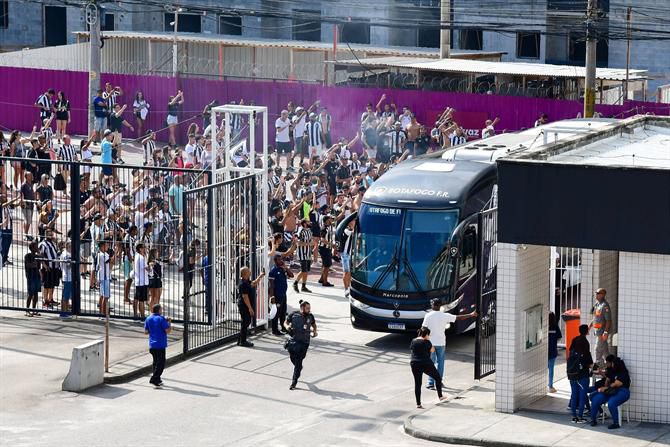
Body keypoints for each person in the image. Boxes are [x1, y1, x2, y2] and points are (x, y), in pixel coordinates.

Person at [421, 299, 477, 390]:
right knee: (440, 363)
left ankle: (430, 383)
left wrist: (422, 341)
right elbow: (459, 317)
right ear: (440, 306)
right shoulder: (444, 316)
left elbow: (423, 329)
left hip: (431, 343)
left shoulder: (428, 316)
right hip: (441, 342)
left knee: (431, 363)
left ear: (433, 305)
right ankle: (438, 381)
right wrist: (471, 314)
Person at [410, 327, 448, 409]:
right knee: (437, 378)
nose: (429, 336)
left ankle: (418, 404)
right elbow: (432, 350)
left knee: (417, 384)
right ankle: (440, 396)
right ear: (426, 335)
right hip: (426, 363)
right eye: (428, 335)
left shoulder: (413, 341)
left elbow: (413, 350)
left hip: (414, 363)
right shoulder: (427, 342)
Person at [590, 355, 631, 429]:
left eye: (613, 363)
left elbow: (616, 384)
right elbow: (608, 380)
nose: (612, 364)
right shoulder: (612, 370)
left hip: (622, 391)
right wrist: (606, 383)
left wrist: (604, 388)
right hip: (610, 390)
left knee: (611, 403)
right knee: (595, 399)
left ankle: (616, 423)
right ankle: (593, 420)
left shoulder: (623, 373)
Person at [284, 299, 317, 390]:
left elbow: (314, 325)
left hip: (304, 343)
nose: (309, 310)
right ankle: (298, 368)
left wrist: (315, 331)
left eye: (309, 308)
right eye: (307, 308)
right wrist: (287, 327)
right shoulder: (294, 315)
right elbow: (285, 322)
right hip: (293, 341)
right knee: (292, 358)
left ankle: (294, 382)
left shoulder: (310, 316)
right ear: (302, 308)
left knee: (298, 362)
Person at [567, 324, 593, 424]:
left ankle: (574, 417)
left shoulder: (574, 340)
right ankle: (580, 416)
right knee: (582, 396)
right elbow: (588, 361)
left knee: (574, 395)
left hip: (572, 372)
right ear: (586, 332)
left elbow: (570, 352)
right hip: (582, 374)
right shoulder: (585, 343)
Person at [144, 304, 172, 387]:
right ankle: (154, 378)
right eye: (161, 309)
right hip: (160, 345)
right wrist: (169, 322)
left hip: (152, 345)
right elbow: (167, 331)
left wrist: (154, 330)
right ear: (159, 310)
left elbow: (146, 332)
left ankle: (158, 379)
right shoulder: (161, 319)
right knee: (161, 363)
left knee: (155, 362)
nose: (162, 311)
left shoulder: (148, 318)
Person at [237, 266, 265, 348]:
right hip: (244, 305)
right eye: (248, 271)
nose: (250, 271)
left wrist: (261, 276)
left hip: (246, 305)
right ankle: (243, 341)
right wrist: (250, 308)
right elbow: (245, 297)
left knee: (245, 322)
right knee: (246, 322)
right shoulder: (243, 284)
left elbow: (254, 283)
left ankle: (241, 340)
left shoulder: (246, 281)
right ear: (245, 273)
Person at [268, 254, 293, 336]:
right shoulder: (273, 271)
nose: (281, 261)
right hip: (277, 295)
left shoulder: (282, 269)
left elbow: (291, 275)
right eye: (279, 260)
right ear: (275, 261)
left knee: (283, 312)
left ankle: (283, 327)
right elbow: (271, 286)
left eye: (281, 259)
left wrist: (286, 268)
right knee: (276, 313)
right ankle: (274, 330)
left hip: (283, 294)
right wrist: (272, 296)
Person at [589, 288, 611, 366]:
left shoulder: (605, 306)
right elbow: (595, 318)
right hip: (597, 332)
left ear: (603, 295)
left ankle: (598, 367)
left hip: (602, 332)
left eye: (598, 293)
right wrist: (590, 326)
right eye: (596, 293)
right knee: (605, 351)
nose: (596, 295)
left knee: (597, 350)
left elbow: (608, 321)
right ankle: (610, 366)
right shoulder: (597, 304)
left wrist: (606, 332)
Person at [293, 218, 313, 293]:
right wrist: (308, 244)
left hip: (308, 253)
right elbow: (298, 242)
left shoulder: (309, 231)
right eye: (308, 222)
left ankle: (303, 286)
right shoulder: (300, 231)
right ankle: (295, 283)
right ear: (304, 223)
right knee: (303, 270)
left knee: (306, 271)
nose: (309, 223)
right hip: (302, 253)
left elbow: (311, 240)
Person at [24, 241, 41, 316]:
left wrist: (39, 253)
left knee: (36, 294)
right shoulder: (28, 256)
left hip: (37, 276)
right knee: (30, 294)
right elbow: (28, 265)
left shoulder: (37, 256)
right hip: (30, 276)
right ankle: (27, 310)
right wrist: (34, 264)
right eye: (36, 247)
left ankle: (34, 309)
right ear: (32, 248)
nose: (37, 248)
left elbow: (41, 261)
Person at [97, 240, 113, 318]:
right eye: (106, 245)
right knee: (105, 296)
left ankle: (101, 312)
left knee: (102, 295)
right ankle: (103, 313)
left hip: (106, 276)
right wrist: (116, 252)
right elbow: (109, 261)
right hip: (104, 277)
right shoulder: (101, 255)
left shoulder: (105, 254)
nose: (107, 247)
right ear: (102, 246)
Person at [134, 242, 150, 320]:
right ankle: (142, 316)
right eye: (144, 248)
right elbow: (146, 268)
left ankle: (135, 314)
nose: (145, 249)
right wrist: (151, 266)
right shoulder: (140, 258)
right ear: (140, 249)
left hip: (139, 280)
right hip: (141, 281)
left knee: (136, 298)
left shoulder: (138, 256)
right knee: (141, 300)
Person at [548, 311, 562, 393]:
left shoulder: (544, 325)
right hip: (552, 351)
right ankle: (550, 386)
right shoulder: (555, 326)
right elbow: (559, 336)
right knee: (551, 369)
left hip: (544, 351)